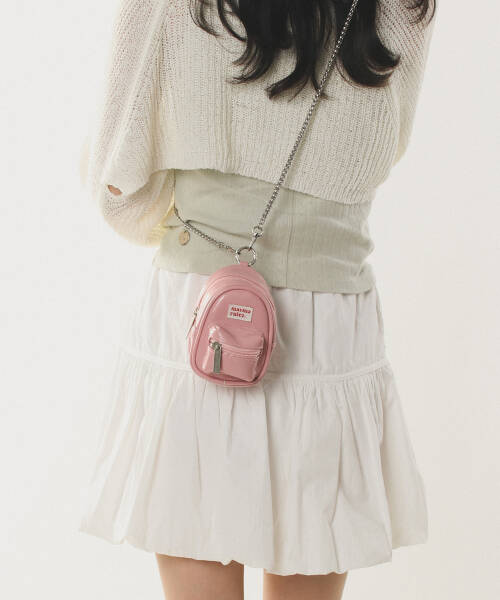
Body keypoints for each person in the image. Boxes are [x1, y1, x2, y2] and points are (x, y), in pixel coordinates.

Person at [79, 1, 437, 598]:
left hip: (201, 311)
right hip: (329, 326)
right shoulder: (404, 7)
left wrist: (197, 224)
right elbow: (383, 145)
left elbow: (119, 178)